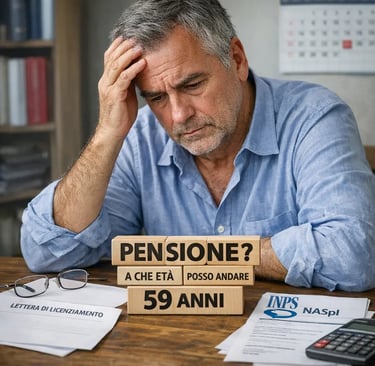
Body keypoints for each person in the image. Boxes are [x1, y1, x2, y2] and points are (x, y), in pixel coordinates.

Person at [21, 0, 375, 291]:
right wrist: (106, 134)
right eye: (156, 97)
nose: (178, 116)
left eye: (192, 85)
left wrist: (206, 255)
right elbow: (45, 251)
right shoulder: (140, 134)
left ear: (236, 59)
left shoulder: (314, 117)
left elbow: (353, 256)